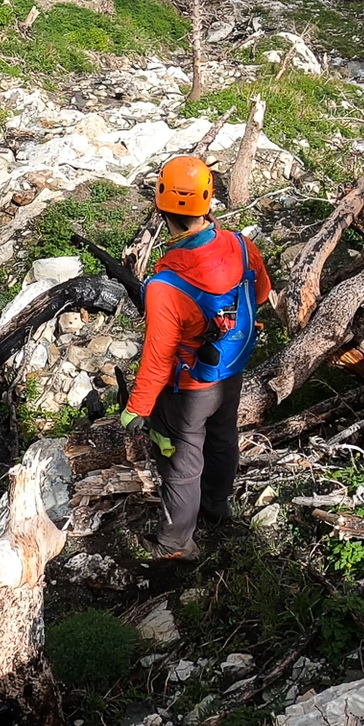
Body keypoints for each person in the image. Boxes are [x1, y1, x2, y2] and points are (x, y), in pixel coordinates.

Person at [119, 155, 273, 560]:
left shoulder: (165, 285)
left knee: (182, 462)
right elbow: (260, 295)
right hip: (231, 367)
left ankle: (175, 547)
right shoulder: (241, 245)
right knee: (223, 436)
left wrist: (137, 408)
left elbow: (157, 357)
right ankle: (217, 507)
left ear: (160, 202)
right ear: (209, 200)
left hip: (189, 387)